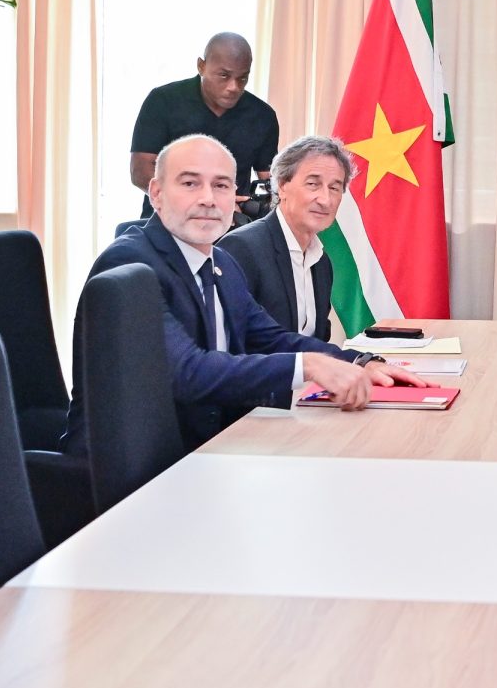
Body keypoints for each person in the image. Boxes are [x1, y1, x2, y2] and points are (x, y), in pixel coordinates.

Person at [64, 135, 424, 453]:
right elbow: (186, 372)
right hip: (142, 469)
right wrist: (310, 366)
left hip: (214, 447)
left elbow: (268, 337)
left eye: (221, 186)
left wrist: (358, 362)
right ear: (156, 193)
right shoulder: (131, 262)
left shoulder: (220, 262)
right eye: (190, 183)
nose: (208, 199)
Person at [129, 32, 280, 219]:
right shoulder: (163, 101)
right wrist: (195, 201)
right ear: (201, 66)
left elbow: (270, 182)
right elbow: (140, 172)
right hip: (167, 219)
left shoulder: (262, 115)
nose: (233, 87)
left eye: (242, 78)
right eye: (224, 75)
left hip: (231, 224)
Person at [219, 135, 349, 341]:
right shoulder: (241, 248)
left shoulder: (321, 262)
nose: (325, 200)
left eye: (334, 188)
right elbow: (233, 342)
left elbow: (318, 342)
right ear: (281, 185)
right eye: (313, 184)